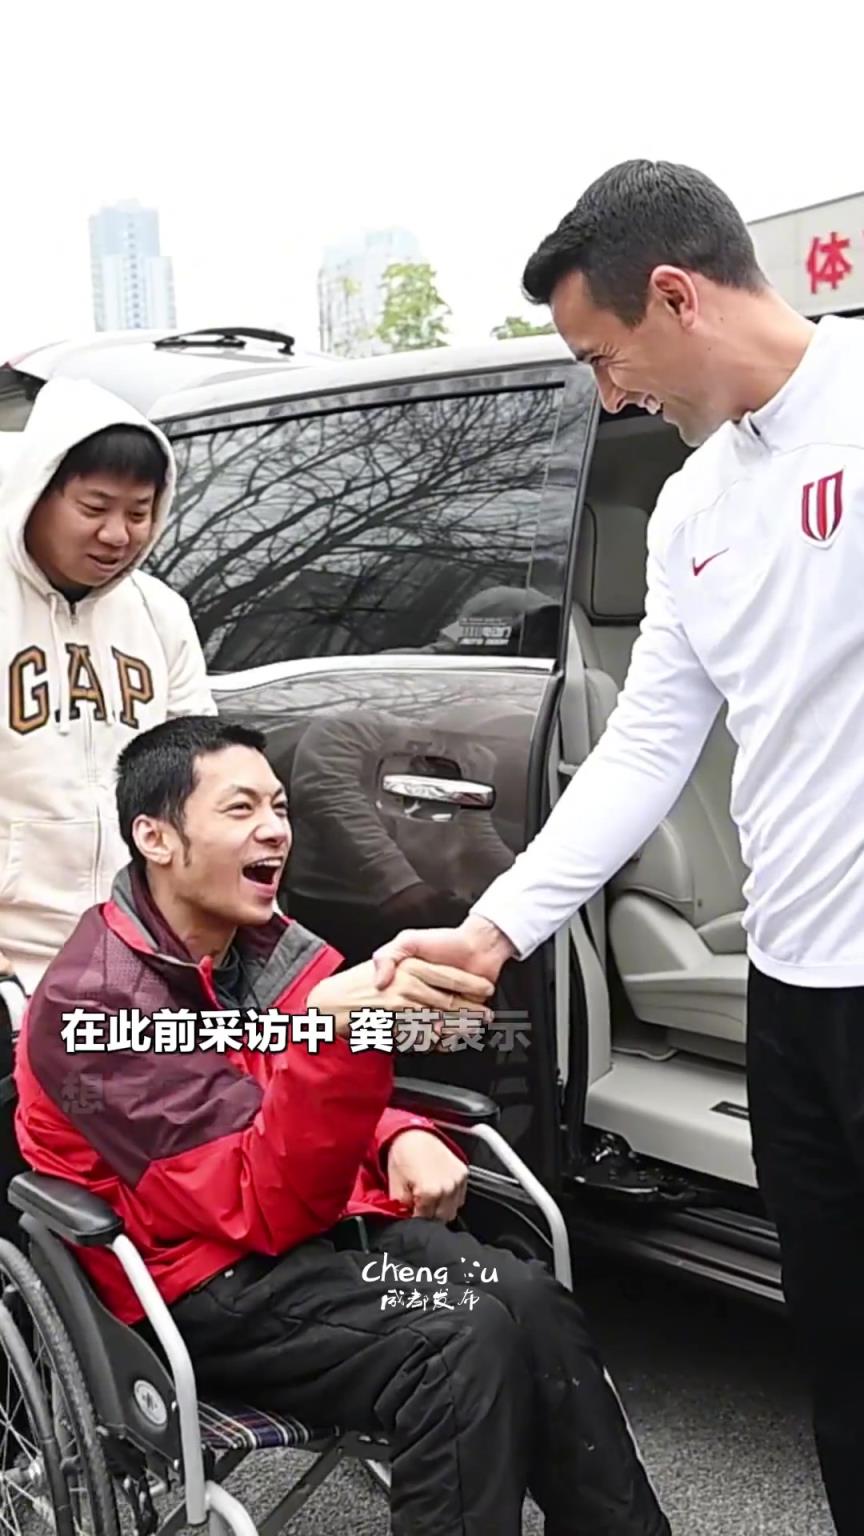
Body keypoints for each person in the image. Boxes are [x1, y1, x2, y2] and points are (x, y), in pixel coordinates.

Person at [372, 158, 864, 1535]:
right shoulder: (697, 507)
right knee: (841, 1354)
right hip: (795, 991)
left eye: (604, 356)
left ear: (676, 294)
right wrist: (496, 928)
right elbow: (646, 746)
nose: (609, 395)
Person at [14, 715, 670, 1536]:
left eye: (280, 807)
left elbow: (289, 1091)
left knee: (530, 1299)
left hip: (319, 1233)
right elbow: (258, 1201)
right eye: (241, 809)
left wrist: (400, 1130)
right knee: (456, 1341)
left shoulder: (271, 950)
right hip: (200, 1280)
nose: (274, 830)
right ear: (156, 837)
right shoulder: (96, 1004)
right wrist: (331, 1030)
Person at [0, 377, 215, 1001]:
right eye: (94, 509)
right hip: (15, 962)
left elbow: (202, 779)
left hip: (138, 955)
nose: (118, 535)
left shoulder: (159, 613)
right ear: (36, 493)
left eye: (139, 512)